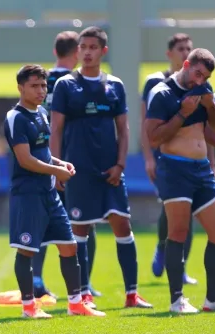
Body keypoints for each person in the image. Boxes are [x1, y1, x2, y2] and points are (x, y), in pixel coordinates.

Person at [50, 26, 152, 310]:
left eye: (93, 47)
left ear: (103, 51)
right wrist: (56, 168)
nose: (87, 52)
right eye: (83, 47)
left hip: (110, 171)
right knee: (79, 230)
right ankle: (83, 294)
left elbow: (124, 128)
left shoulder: (115, 85)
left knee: (123, 224)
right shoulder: (65, 85)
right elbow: (55, 130)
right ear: (78, 50)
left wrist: (120, 165)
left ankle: (132, 294)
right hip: (78, 171)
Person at [4, 64, 105, 318]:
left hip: (49, 194)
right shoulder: (15, 117)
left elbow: (44, 152)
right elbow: (25, 159)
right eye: (34, 86)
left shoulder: (41, 113)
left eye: (43, 85)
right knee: (27, 250)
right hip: (28, 195)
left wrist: (59, 163)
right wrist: (55, 172)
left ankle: (75, 304)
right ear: (20, 88)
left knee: (69, 246)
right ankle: (29, 307)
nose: (40, 91)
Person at [145, 48, 215, 313]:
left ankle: (213, 298)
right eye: (197, 73)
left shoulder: (203, 89)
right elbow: (154, 138)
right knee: (178, 232)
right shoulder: (162, 93)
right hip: (175, 169)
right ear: (186, 64)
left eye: (206, 76)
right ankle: (176, 300)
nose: (200, 80)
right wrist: (182, 113)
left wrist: (210, 105)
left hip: (202, 170)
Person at [38, 30, 101, 299]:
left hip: (42, 158)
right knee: (86, 222)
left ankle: (36, 279)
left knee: (41, 221)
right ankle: (84, 282)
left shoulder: (40, 80)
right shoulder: (73, 83)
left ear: (54, 52)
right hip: (75, 160)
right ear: (77, 52)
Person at [141, 33, 198, 284]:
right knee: (171, 206)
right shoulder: (155, 82)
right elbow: (146, 125)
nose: (185, 52)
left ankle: (181, 267)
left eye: (189, 48)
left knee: (191, 210)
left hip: (191, 160)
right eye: (180, 48)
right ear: (169, 54)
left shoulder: (196, 84)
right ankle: (163, 247)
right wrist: (148, 159)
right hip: (163, 157)